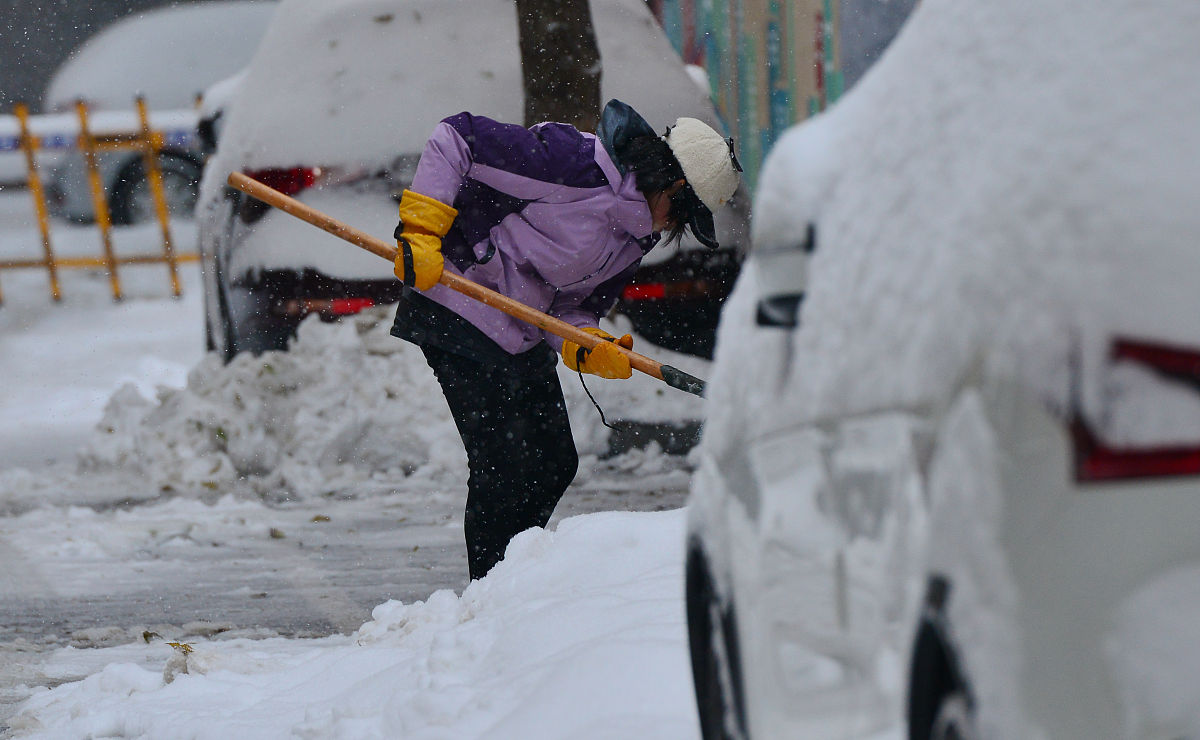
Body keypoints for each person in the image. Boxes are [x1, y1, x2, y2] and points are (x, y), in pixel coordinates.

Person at [390, 98, 741, 580]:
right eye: (682, 217)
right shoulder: (571, 164)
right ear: (674, 187)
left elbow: (573, 308)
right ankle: (488, 590)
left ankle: (507, 581)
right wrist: (421, 233)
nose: (672, 230)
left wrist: (587, 344)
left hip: (519, 326)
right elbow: (456, 138)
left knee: (553, 462)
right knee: (504, 463)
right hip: (458, 297)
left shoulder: (633, 239)